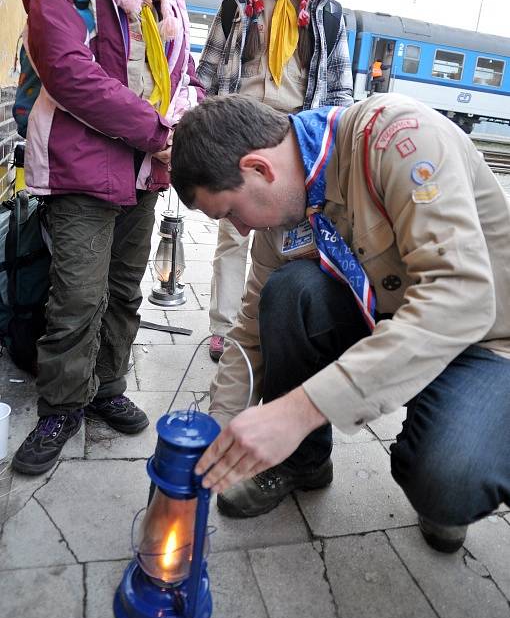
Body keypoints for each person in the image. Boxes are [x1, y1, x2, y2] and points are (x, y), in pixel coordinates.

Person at [171, 92, 510, 554]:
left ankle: (450, 478)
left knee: (448, 477)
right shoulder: (283, 215)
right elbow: (249, 330)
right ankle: (302, 463)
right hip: (389, 320)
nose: (243, 230)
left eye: (230, 212)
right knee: (288, 291)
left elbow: (460, 299)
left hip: (485, 341)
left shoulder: (398, 139)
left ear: (259, 169)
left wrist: (297, 410)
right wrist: (216, 431)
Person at [12, 0, 204, 476]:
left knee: (124, 289)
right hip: (80, 172)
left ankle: (106, 387)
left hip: (145, 175)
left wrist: (186, 126)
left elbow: (185, 76)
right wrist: (157, 132)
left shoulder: (166, 4)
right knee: (77, 295)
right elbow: (71, 75)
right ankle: (60, 406)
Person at [196, 0, 353, 362]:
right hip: (234, 130)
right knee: (232, 230)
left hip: (292, 138)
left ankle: (270, 322)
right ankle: (224, 328)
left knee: (286, 236)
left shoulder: (325, 12)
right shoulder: (236, 2)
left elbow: (340, 89)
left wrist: (326, 148)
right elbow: (207, 73)